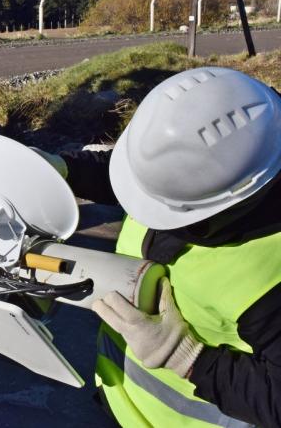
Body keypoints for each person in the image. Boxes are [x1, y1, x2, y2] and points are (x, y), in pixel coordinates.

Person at [38, 67, 281, 427]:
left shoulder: (270, 276)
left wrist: (187, 358)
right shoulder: (215, 169)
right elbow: (138, 179)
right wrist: (63, 169)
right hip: (118, 399)